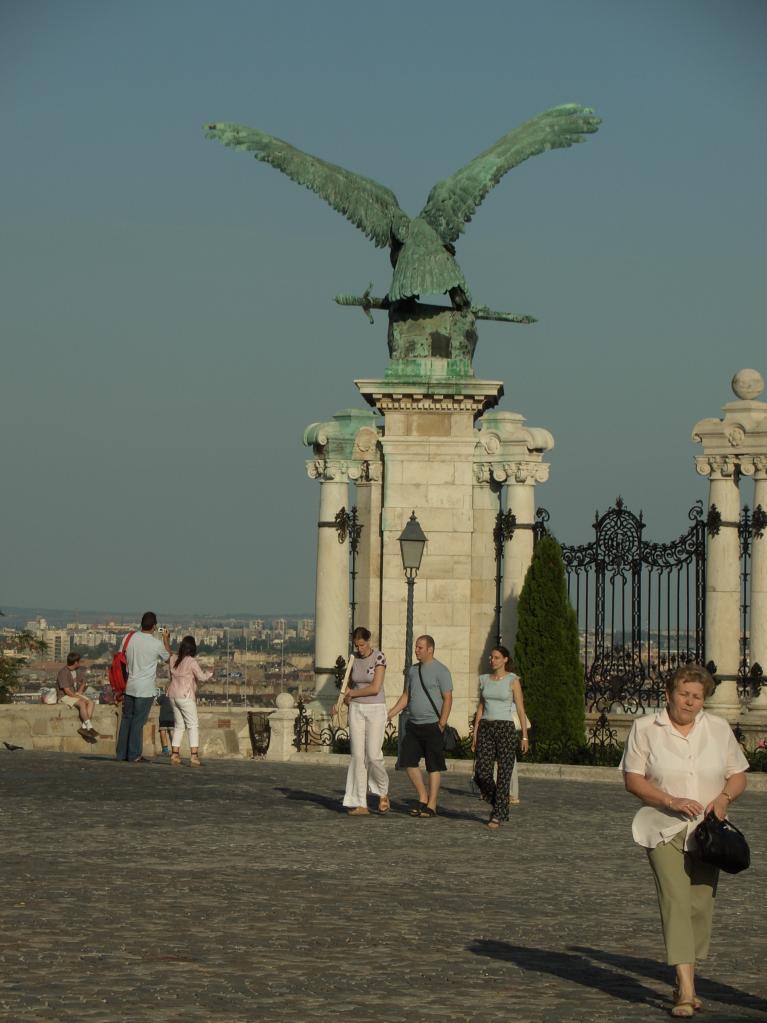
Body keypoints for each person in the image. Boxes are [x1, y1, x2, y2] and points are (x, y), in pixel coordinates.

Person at [621, 664, 749, 1018]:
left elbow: (738, 774)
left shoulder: (717, 728)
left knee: (700, 905)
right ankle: (687, 989)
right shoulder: (646, 728)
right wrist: (669, 800)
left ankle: (685, 976)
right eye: (684, 694)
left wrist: (724, 798)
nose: (690, 702)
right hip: (663, 828)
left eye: (697, 696)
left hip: (708, 833)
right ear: (668, 694)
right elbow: (633, 779)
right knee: (676, 900)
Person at [386, 634, 453, 818]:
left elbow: (448, 698)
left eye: (420, 647)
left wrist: (442, 723)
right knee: (407, 761)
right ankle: (423, 797)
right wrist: (391, 713)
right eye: (416, 647)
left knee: (433, 766)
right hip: (414, 724)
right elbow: (406, 695)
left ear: (430, 649)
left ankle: (432, 804)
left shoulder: (441, 671)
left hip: (433, 725)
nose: (416, 650)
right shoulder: (412, 671)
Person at [471, 645, 529, 829]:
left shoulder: (513, 680)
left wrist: (525, 736)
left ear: (505, 659)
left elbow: (520, 708)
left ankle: (497, 814)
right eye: (491, 657)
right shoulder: (484, 680)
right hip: (486, 727)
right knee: (482, 772)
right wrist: (475, 732)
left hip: (505, 728)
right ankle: (500, 804)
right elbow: (481, 707)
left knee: (504, 773)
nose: (492, 660)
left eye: (496, 657)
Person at [341, 626, 390, 816]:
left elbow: (375, 687)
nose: (359, 649)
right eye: (356, 645)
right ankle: (360, 802)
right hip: (356, 709)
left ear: (368, 641)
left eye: (362, 645)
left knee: (373, 755)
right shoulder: (353, 658)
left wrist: (353, 693)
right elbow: (348, 685)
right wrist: (344, 699)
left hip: (375, 708)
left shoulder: (379, 657)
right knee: (357, 756)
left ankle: (382, 792)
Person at [115, 612, 171, 763]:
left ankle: (121, 754)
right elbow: (169, 658)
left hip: (129, 686)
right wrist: (166, 639)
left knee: (126, 719)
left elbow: (120, 657)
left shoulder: (128, 638)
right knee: (138, 722)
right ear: (154, 626)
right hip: (145, 689)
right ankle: (134, 754)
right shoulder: (156, 644)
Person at [167, 635, 213, 768]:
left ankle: (175, 754)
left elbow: (168, 652)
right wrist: (209, 672)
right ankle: (194, 756)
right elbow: (202, 677)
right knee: (193, 725)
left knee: (179, 725)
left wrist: (165, 639)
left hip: (173, 695)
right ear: (193, 648)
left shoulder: (174, 659)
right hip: (185, 696)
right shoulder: (191, 661)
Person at [56, 652, 97, 742]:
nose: (80, 663)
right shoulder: (63, 672)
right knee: (82, 704)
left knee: (91, 702)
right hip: (64, 696)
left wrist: (80, 691)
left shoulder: (77, 670)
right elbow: (67, 691)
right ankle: (89, 727)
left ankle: (83, 728)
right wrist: (79, 697)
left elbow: (84, 681)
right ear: (75, 662)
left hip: (74, 694)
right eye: (79, 661)